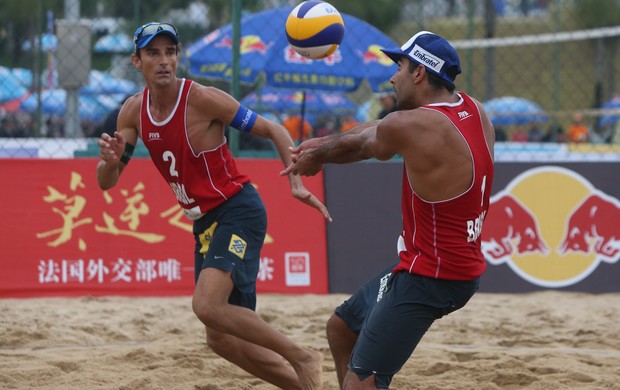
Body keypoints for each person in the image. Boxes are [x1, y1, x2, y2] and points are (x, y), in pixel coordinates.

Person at [96, 22, 330, 390]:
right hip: (205, 223)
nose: (164, 61)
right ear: (136, 61)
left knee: (206, 306)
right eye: (153, 53)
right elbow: (107, 183)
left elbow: (274, 129)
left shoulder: (202, 99)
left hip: (238, 209)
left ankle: (304, 356)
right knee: (220, 338)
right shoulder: (132, 112)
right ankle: (305, 385)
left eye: (170, 52)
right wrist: (110, 162)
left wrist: (295, 181)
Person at [281, 31, 495, 389]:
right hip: (439, 266)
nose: (392, 76)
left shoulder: (415, 125)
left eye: (400, 66)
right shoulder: (473, 110)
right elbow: (383, 128)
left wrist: (320, 155)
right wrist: (323, 143)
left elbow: (367, 145)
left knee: (361, 383)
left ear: (419, 74)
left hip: (431, 278)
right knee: (341, 329)